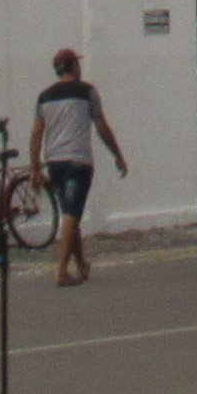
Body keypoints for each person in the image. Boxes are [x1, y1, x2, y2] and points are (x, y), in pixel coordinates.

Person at [30, 46, 128, 290]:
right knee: (72, 214)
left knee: (69, 213)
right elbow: (101, 126)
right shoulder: (87, 92)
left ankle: (81, 264)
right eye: (77, 63)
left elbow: (36, 134)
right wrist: (117, 155)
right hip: (78, 162)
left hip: (54, 163)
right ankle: (62, 270)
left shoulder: (44, 97)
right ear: (73, 66)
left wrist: (34, 168)